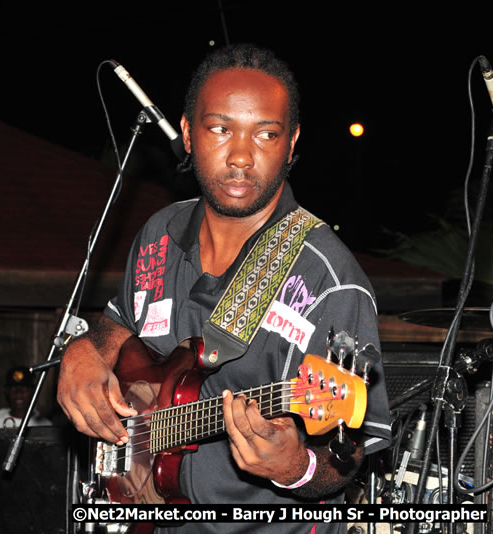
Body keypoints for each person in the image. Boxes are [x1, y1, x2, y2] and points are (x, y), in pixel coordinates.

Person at [58, 44, 391, 532]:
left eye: (266, 134)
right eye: (220, 129)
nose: (240, 156)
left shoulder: (330, 281)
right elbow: (119, 326)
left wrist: (298, 469)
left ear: (292, 142)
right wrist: (85, 350)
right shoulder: (159, 234)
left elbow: (352, 453)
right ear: (189, 134)